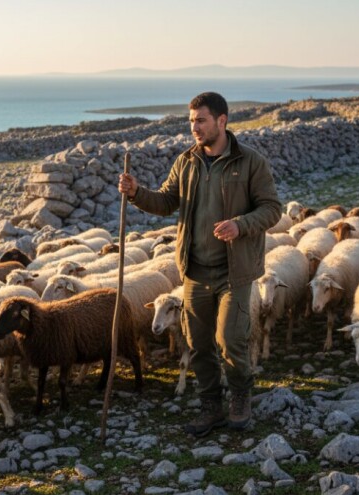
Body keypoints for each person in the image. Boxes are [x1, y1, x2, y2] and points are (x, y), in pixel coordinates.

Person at [118, 92, 281, 435]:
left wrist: (241, 225)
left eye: (201, 120)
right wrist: (136, 192)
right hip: (195, 271)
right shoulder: (186, 162)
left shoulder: (250, 162)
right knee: (198, 343)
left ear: (222, 121)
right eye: (191, 120)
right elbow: (165, 202)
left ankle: (240, 396)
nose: (194, 127)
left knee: (232, 339)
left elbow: (271, 209)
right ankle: (211, 406)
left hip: (234, 272)